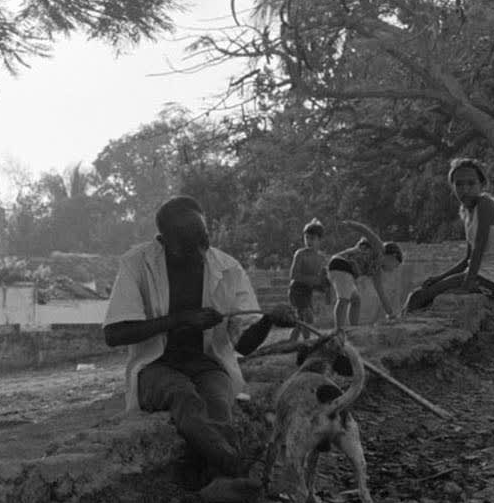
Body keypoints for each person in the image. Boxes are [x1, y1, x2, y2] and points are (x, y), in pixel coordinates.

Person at [102, 195, 299, 483]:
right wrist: (180, 319)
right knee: (184, 397)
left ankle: (218, 481)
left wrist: (268, 321)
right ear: (163, 241)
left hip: (207, 365)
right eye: (187, 245)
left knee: (218, 403)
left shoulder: (228, 268)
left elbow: (244, 346)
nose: (200, 252)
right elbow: (113, 334)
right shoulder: (137, 264)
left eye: (203, 240)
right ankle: (234, 467)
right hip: (156, 367)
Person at [405, 157, 494, 313]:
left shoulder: (485, 205)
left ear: (482, 185)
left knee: (419, 298)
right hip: (478, 276)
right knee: (419, 295)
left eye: (471, 184)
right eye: (459, 184)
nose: (465, 189)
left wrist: (466, 286)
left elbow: (478, 249)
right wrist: (439, 278)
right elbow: (467, 259)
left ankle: (402, 326)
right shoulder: (467, 212)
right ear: (453, 187)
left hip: (491, 282)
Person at [326, 222, 403, 332]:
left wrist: (390, 314)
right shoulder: (379, 247)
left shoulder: (376, 271)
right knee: (343, 299)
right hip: (341, 264)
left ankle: (353, 329)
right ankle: (339, 331)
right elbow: (365, 231)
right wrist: (349, 224)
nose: (393, 269)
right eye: (395, 265)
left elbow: (381, 294)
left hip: (346, 271)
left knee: (356, 300)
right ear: (393, 256)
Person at [287, 218, 331, 342]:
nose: (309, 241)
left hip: (307, 292)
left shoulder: (322, 258)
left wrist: (326, 289)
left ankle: (292, 342)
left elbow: (323, 279)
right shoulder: (300, 254)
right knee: (307, 316)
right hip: (296, 290)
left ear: (320, 240)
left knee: (301, 321)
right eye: (307, 238)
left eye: (312, 238)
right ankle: (307, 342)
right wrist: (313, 280)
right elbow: (293, 275)